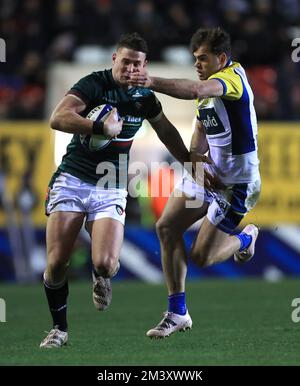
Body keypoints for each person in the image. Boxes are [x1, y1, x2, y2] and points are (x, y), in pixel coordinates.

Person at [39, 32, 191, 348]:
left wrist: (189, 160)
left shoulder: (145, 97)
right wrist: (99, 127)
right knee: (56, 262)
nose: (130, 68)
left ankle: (102, 276)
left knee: (106, 263)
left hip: (111, 184)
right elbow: (58, 117)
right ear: (114, 59)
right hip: (73, 179)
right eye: (125, 61)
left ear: (145, 65)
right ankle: (59, 329)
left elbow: (166, 132)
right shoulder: (94, 84)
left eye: (136, 63)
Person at [129, 27, 261, 338]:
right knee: (165, 226)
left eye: (203, 59)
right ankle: (177, 313)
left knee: (202, 257)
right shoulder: (207, 93)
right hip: (209, 176)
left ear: (222, 58)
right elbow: (201, 134)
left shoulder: (232, 79)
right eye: (195, 59)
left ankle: (245, 239)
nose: (197, 65)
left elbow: (191, 90)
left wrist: (151, 81)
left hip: (237, 185)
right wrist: (195, 159)